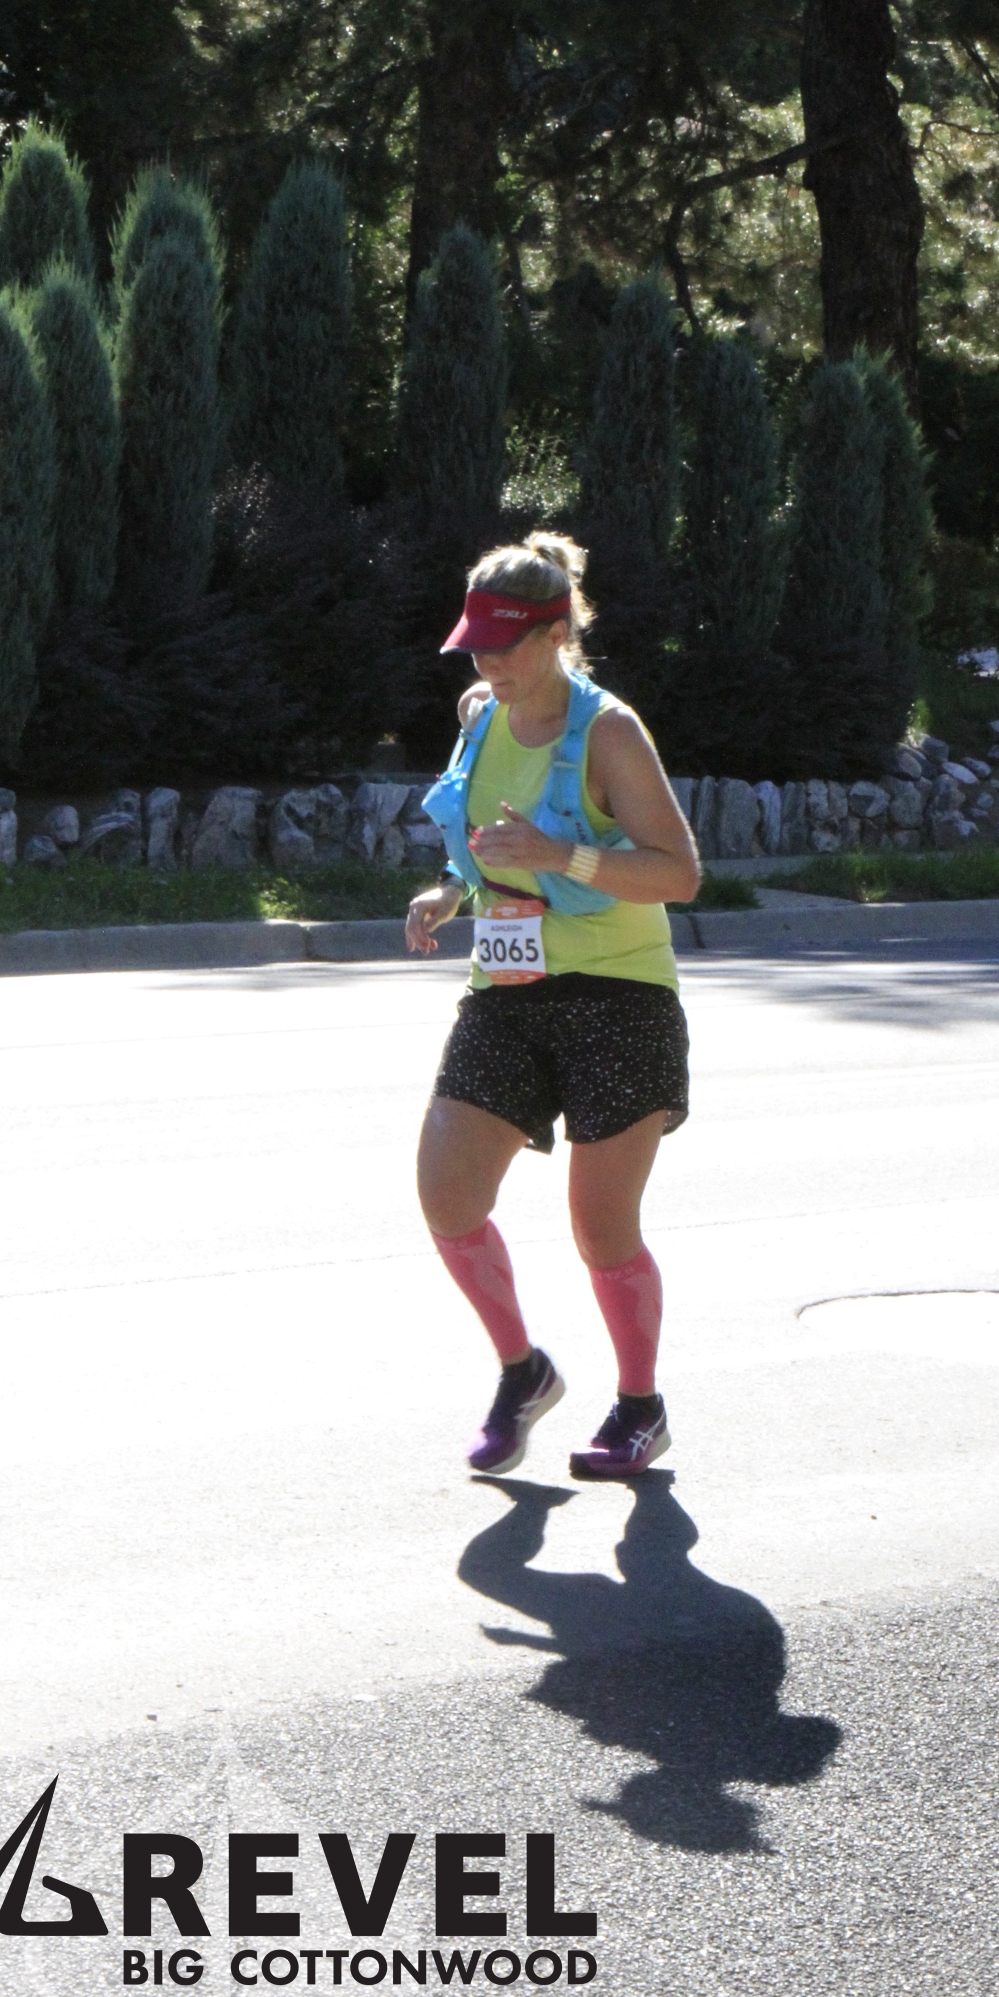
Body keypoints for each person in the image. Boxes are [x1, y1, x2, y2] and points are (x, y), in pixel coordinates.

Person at [405, 533, 701, 1479]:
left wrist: (557, 856)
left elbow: (678, 874)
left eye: (503, 646)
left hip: (620, 995)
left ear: (555, 633)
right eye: (476, 647)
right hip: (507, 990)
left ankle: (640, 1408)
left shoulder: (609, 733)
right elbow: (480, 839)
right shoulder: (479, 714)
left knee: (600, 1228)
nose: (486, 665)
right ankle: (522, 1372)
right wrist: (450, 889)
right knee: (447, 1194)